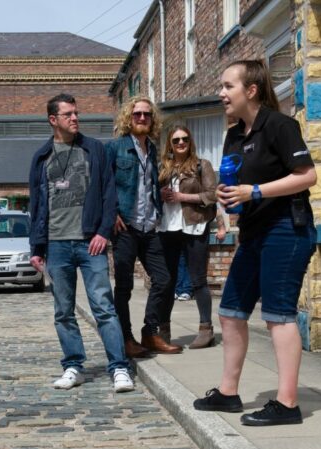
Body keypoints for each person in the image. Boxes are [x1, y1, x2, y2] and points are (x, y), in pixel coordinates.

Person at [193, 60, 317, 426]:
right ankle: (228, 393)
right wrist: (226, 194)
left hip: (286, 229)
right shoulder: (234, 134)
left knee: (278, 315)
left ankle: (287, 404)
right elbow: (236, 183)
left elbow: (307, 176)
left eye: (228, 86)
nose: (221, 92)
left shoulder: (280, 126)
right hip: (252, 231)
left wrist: (256, 191)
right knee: (230, 313)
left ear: (251, 90)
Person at [28, 93, 133, 393]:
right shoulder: (41, 157)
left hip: (91, 243)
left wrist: (103, 232)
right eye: (68, 114)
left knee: (104, 307)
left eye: (76, 113)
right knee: (63, 311)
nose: (75, 118)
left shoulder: (94, 149)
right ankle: (74, 366)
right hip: (56, 245)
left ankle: (119, 368)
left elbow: (109, 193)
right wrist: (37, 247)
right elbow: (36, 205)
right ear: (53, 120)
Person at [105, 97, 181, 356]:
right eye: (137, 114)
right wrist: (112, 213)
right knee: (124, 286)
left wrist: (160, 196)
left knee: (164, 279)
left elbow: (146, 185)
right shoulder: (115, 148)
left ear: (152, 119)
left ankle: (150, 333)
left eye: (146, 114)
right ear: (129, 117)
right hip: (125, 226)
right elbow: (104, 183)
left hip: (149, 226)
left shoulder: (153, 149)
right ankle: (126, 339)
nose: (142, 118)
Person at [156, 126, 217, 349]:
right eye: (176, 140)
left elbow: (212, 195)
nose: (180, 143)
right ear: (170, 145)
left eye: (184, 139)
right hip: (168, 228)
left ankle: (206, 329)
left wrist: (182, 196)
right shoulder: (163, 168)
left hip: (195, 226)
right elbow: (151, 194)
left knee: (198, 280)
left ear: (190, 141)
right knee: (167, 282)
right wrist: (160, 194)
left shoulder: (202, 165)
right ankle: (164, 330)